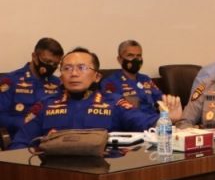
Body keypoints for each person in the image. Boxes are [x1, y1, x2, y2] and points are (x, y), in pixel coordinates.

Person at [10, 47, 182, 149]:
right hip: (54, 174)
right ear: (61, 76)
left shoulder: (113, 102)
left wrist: (168, 118)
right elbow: (20, 144)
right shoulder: (45, 105)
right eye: (67, 68)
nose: (74, 73)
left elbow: (144, 122)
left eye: (82, 68)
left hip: (104, 172)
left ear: (97, 77)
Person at [0, 37, 64, 137]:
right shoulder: (10, 81)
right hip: (20, 136)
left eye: (55, 64)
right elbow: (1, 115)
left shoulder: (58, 83)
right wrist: (25, 123)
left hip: (51, 137)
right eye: (47, 62)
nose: (51, 66)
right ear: (34, 56)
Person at [99, 40, 164, 115]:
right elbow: (112, 108)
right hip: (131, 120)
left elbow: (161, 99)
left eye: (138, 56)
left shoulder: (146, 79)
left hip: (155, 118)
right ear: (120, 59)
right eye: (130, 55)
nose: (135, 59)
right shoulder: (110, 82)